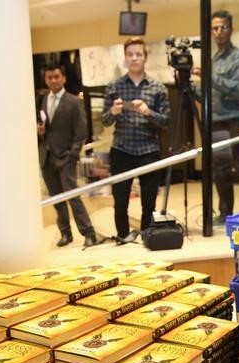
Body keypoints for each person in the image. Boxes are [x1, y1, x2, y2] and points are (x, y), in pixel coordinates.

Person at [102, 37, 170, 243]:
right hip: (121, 151)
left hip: (149, 151)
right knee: (120, 201)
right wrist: (113, 111)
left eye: (138, 54)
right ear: (125, 58)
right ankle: (123, 238)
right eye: (130, 54)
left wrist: (148, 111)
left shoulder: (158, 88)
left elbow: (166, 122)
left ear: (145, 57)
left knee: (148, 202)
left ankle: (147, 238)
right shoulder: (114, 86)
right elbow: (105, 121)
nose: (134, 58)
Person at [193, 10, 239, 224]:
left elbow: (238, 90)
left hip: (236, 119)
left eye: (223, 27)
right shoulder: (214, 59)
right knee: (220, 169)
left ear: (231, 29)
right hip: (216, 119)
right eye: (215, 28)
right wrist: (190, 86)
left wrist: (209, 75)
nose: (219, 32)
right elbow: (210, 95)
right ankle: (225, 213)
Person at [36, 64, 97, 248]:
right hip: (46, 157)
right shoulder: (41, 100)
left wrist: (72, 155)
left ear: (63, 78)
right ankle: (65, 233)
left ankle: (89, 233)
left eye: (56, 77)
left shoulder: (74, 102)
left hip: (66, 158)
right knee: (56, 198)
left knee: (73, 196)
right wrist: (39, 132)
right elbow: (40, 125)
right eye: (49, 78)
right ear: (46, 80)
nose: (53, 81)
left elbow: (81, 133)